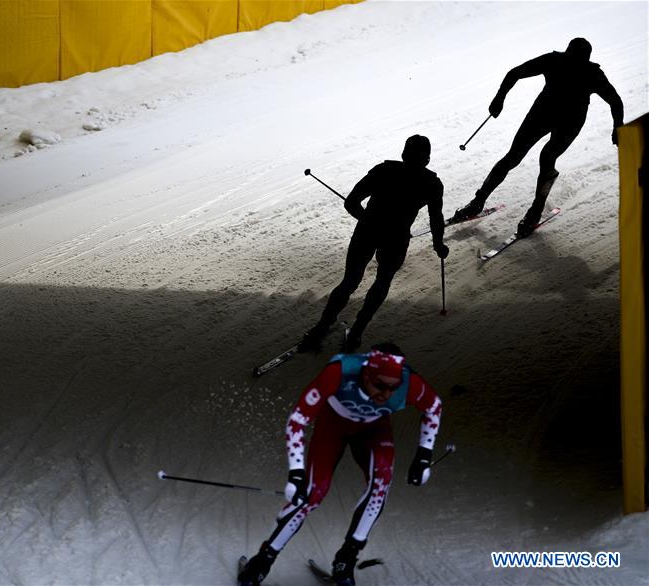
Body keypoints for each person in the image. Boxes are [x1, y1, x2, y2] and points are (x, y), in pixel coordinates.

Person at [237, 344, 443, 586]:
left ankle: (346, 561)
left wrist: (423, 456)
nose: (387, 394)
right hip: (333, 425)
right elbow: (298, 420)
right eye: (380, 385)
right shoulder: (339, 371)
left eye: (393, 387)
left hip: (374, 429)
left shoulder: (410, 383)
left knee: (381, 484)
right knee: (312, 495)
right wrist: (296, 473)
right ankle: (262, 562)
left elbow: (434, 407)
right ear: (366, 373)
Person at [450, 37, 624, 237]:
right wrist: (617, 127)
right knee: (520, 156)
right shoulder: (588, 71)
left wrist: (499, 98)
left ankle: (526, 208)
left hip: (561, 118)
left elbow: (514, 73)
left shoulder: (563, 63)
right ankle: (483, 202)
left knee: (536, 156)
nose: (572, 63)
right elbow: (615, 101)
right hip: (554, 115)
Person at [298, 135, 448, 353]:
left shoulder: (383, 171)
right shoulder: (432, 184)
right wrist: (438, 244)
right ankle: (356, 333)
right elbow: (436, 218)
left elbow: (351, 202)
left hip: (367, 232)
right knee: (382, 282)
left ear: (403, 154)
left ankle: (320, 328)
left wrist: (368, 220)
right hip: (396, 238)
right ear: (427, 159)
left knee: (349, 281)